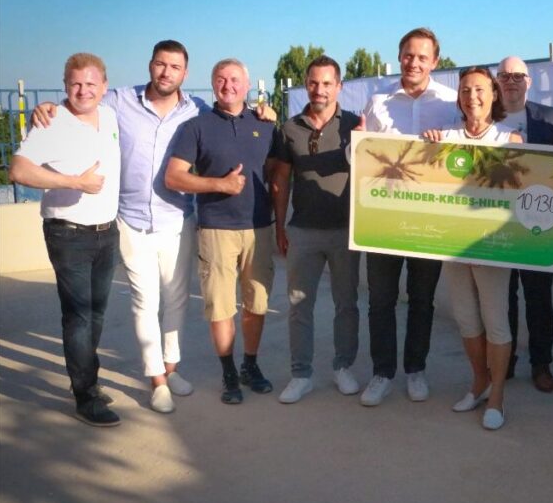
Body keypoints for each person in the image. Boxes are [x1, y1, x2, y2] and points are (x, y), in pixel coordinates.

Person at [31, 40, 275, 414]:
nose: (166, 73)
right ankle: (156, 379)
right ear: (151, 66)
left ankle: (172, 368)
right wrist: (50, 107)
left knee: (177, 300)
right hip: (130, 218)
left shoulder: (196, 109)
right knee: (145, 301)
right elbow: (83, 98)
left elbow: (235, 119)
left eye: (174, 67)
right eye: (161, 65)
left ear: (185, 74)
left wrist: (265, 110)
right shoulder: (119, 101)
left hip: (178, 218)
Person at [10, 53, 122, 426]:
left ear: (104, 86)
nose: (83, 90)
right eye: (76, 83)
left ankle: (87, 378)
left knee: (97, 314)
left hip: (107, 233)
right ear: (65, 86)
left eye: (91, 83)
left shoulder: (109, 115)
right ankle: (85, 395)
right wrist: (74, 182)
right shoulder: (51, 122)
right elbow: (18, 170)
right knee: (78, 317)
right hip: (68, 233)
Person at [165, 58, 277, 405]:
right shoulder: (196, 127)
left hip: (259, 228)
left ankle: (250, 364)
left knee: (256, 303)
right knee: (221, 306)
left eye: (234, 80)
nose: (227, 85)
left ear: (247, 85)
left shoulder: (267, 125)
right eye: (220, 79)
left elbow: (278, 174)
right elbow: (174, 176)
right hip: (216, 229)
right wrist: (219, 184)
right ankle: (228, 371)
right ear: (213, 85)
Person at [358, 27, 459, 407]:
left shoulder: (451, 103)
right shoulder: (378, 102)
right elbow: (363, 157)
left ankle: (415, 369)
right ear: (399, 56)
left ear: (435, 61)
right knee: (381, 300)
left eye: (422, 57)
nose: (414, 62)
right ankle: (382, 372)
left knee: (421, 300)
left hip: (429, 220)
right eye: (408, 55)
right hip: (382, 219)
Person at [422, 66, 523, 430]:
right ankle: (478, 381)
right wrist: (428, 144)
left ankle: (497, 395)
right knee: (466, 318)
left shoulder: (508, 138)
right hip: (452, 244)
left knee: (496, 321)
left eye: (479, 90)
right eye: (465, 90)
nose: (472, 97)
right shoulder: (445, 135)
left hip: (493, 245)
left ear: (494, 94)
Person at [271, 56, 362, 403]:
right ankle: (301, 374)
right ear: (306, 84)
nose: (319, 89)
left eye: (327, 83)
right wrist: (281, 226)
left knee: (346, 304)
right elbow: (280, 180)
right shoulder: (289, 128)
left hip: (346, 232)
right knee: (298, 305)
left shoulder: (356, 125)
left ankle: (343, 367)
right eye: (313, 82)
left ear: (339, 86)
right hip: (303, 232)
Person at [496, 56, 553, 393]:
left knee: (539, 299)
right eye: (504, 76)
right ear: (497, 82)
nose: (511, 81)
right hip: (496, 224)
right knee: (503, 298)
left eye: (517, 76)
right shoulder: (486, 118)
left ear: (529, 81)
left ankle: (541, 365)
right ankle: (506, 361)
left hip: (538, 224)